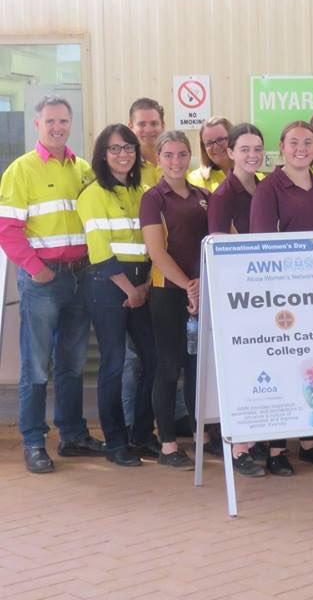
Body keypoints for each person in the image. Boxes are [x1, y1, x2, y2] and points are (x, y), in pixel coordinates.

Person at [0, 96, 104, 473]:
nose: (57, 127)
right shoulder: (20, 170)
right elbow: (8, 231)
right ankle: (33, 441)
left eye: (63, 121)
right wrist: (36, 268)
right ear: (37, 125)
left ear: (70, 124)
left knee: (73, 365)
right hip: (43, 280)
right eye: (50, 122)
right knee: (37, 367)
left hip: (79, 277)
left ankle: (72, 435)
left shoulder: (83, 169)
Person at [250, 120, 313, 476]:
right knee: (282, 368)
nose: (302, 148)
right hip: (282, 298)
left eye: (308, 142)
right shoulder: (269, 189)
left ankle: (308, 442)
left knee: (312, 369)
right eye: (294, 142)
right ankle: (275, 448)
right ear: (282, 147)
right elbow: (260, 245)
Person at [77, 125, 160, 468]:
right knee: (112, 364)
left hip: (142, 284)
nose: (123, 154)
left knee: (154, 360)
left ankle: (141, 434)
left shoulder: (144, 191)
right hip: (108, 286)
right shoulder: (93, 193)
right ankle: (115, 442)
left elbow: (154, 243)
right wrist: (131, 290)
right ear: (102, 155)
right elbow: (100, 252)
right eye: (114, 149)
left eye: (128, 147)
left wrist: (144, 288)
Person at [140, 130, 208, 469]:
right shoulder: (153, 198)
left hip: (201, 293)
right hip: (169, 293)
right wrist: (188, 287)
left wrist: (200, 289)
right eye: (168, 155)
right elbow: (156, 251)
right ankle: (168, 444)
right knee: (169, 367)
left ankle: (200, 437)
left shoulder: (203, 195)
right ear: (159, 158)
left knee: (198, 369)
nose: (176, 161)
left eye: (182, 154)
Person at [206, 123, 267, 478]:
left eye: (257, 149)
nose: (251, 155)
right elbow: (217, 246)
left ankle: (255, 438)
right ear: (230, 153)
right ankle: (238, 447)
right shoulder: (223, 195)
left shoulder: (263, 187)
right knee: (240, 371)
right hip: (237, 296)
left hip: (263, 294)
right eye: (244, 149)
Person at [187, 116, 233, 191]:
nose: (215, 147)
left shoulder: (253, 177)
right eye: (209, 143)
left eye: (220, 139)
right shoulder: (194, 180)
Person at [128, 97, 164, 187]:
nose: (148, 130)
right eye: (142, 124)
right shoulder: (125, 166)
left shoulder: (177, 162)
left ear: (163, 126)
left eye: (154, 123)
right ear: (130, 127)